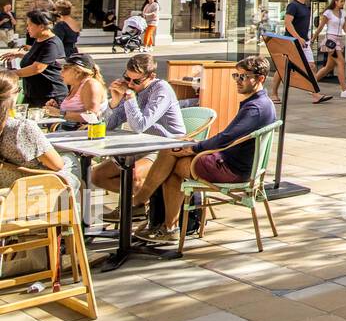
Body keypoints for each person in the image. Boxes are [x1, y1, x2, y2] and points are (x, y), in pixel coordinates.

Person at [131, 56, 277, 243]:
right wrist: (192, 146)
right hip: (236, 163)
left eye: (243, 77)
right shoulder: (261, 103)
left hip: (232, 169)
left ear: (260, 79)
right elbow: (228, 136)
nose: (238, 81)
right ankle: (164, 223)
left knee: (171, 157)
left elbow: (225, 138)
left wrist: (194, 148)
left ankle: (145, 206)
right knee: (174, 152)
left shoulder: (255, 108)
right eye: (236, 76)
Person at [88, 53, 185, 218]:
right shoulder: (131, 89)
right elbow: (109, 125)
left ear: (151, 76)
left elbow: (140, 125)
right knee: (97, 176)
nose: (130, 84)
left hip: (165, 147)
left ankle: (135, 205)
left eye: (136, 81)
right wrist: (114, 102)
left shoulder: (161, 90)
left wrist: (131, 99)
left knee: (133, 175)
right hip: (141, 144)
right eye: (127, 78)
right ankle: (139, 202)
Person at [0, 71, 74, 190]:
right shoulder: (22, 127)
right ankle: (78, 207)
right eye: (19, 90)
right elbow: (57, 165)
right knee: (71, 161)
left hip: (6, 188)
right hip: (35, 187)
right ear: (12, 96)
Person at [271, 0, 330, 105]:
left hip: (304, 41)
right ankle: (274, 94)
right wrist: (297, 37)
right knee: (283, 68)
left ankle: (315, 94)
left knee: (312, 66)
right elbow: (288, 23)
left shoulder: (306, 6)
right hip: (291, 42)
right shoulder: (293, 6)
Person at [3, 10, 67, 109]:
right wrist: (20, 54)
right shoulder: (40, 39)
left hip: (49, 96)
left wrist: (10, 74)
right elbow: (37, 56)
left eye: (29, 25)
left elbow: (37, 68)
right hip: (33, 93)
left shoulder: (51, 44)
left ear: (41, 26)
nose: (27, 28)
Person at [312, 0, 346, 99]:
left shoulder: (343, 13)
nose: (343, 3)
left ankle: (311, 85)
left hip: (339, 40)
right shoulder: (328, 13)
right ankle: (344, 90)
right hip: (331, 41)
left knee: (328, 67)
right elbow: (320, 27)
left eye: (344, 1)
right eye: (341, 1)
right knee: (341, 62)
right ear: (335, 1)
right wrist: (313, 38)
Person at [45, 52, 108, 127]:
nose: (61, 72)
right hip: (70, 131)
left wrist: (59, 113)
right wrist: (56, 108)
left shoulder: (90, 84)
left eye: (65, 68)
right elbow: (76, 110)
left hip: (86, 134)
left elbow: (92, 116)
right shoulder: (75, 85)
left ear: (78, 71)